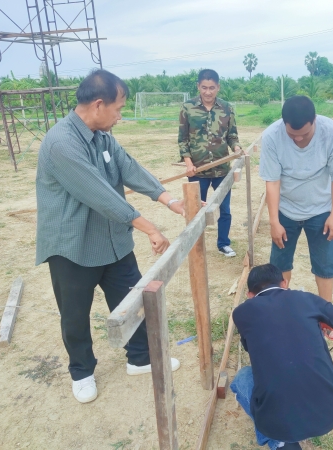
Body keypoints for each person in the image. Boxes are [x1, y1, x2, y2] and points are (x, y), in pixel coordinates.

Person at [36, 69, 184, 404]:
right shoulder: (61, 143)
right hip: (73, 247)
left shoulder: (103, 137)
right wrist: (150, 227)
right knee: (75, 314)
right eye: (118, 109)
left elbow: (129, 168)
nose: (119, 116)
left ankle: (140, 358)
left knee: (133, 300)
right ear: (99, 105)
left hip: (113, 241)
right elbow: (100, 195)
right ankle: (82, 372)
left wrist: (170, 200)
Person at [231, 264, 333, 450]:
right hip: (330, 411)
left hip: (278, 423)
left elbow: (252, 349)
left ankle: (280, 442)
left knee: (242, 378)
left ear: (249, 295)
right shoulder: (307, 299)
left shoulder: (241, 313)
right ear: (284, 283)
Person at [259, 95, 333, 339]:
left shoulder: (331, 132)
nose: (298, 139)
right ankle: (280, 315)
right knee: (279, 265)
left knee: (324, 264)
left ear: (314, 121)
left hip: (321, 210)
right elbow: (272, 181)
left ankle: (327, 318)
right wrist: (274, 221)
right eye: (292, 135)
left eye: (304, 134)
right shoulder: (272, 136)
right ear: (283, 124)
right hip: (286, 210)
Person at [178, 69, 241, 257]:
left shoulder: (227, 108)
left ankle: (223, 244)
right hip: (198, 170)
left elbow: (232, 136)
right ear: (198, 86)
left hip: (222, 169)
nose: (208, 92)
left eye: (212, 88)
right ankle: (195, 246)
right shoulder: (187, 108)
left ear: (218, 87)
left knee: (224, 209)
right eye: (204, 87)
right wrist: (188, 163)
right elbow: (183, 139)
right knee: (195, 210)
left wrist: (236, 148)